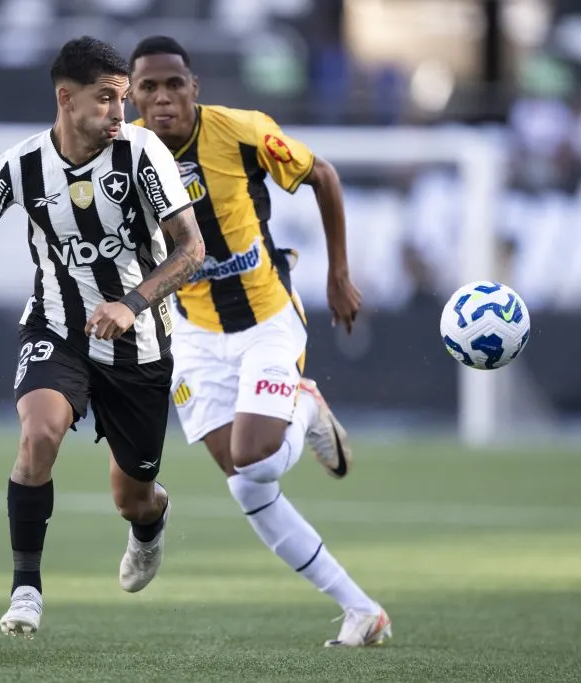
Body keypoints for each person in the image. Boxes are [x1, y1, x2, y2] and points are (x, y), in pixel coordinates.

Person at [0, 36, 204, 638]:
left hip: (141, 347)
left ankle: (149, 525)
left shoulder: (141, 154)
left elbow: (192, 248)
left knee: (132, 496)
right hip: (57, 328)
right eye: (106, 99)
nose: (119, 112)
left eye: (123, 99)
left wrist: (132, 304)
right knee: (40, 433)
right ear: (65, 98)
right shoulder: (20, 167)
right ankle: (25, 588)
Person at [129, 36, 390, 647]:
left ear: (195, 88)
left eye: (174, 84)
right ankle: (362, 610)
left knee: (255, 454)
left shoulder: (243, 132)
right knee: (247, 481)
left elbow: (321, 174)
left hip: (267, 317)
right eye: (149, 87)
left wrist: (339, 274)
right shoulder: (124, 156)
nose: (163, 98)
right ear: (133, 96)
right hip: (193, 333)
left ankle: (304, 404)